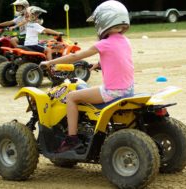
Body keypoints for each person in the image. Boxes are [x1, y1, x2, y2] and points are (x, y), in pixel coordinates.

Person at [40, 0, 134, 153]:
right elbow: (119, 59)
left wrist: (50, 62)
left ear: (103, 21)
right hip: (128, 90)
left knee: (71, 97)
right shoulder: (125, 41)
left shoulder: (104, 44)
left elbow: (74, 57)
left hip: (112, 92)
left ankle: (72, 139)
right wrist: (99, 64)